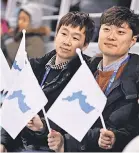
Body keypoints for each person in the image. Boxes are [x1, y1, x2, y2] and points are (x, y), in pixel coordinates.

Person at [47, 6, 139, 152]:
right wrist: (55, 136)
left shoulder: (136, 74)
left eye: (120, 32)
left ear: (133, 40)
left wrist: (116, 138)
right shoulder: (82, 69)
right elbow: (63, 113)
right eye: (106, 29)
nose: (111, 37)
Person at [0, 11, 95, 152]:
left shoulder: (87, 73)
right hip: (20, 144)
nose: (66, 41)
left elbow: (75, 117)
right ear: (56, 34)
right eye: (63, 34)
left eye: (75, 37)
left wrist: (43, 126)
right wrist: (4, 142)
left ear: (85, 45)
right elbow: (14, 106)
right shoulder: (33, 66)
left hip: (49, 147)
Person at [2, 3, 50, 67]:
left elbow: (25, 64)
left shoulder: (36, 41)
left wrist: (7, 40)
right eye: (19, 19)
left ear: (33, 22)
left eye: (24, 20)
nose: (20, 22)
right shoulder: (18, 35)